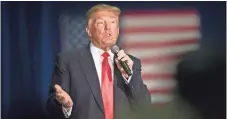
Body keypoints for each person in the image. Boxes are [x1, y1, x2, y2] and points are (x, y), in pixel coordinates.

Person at [46, 4, 151, 119]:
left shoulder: (131, 63)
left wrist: (129, 77)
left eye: (113, 22)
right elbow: (51, 108)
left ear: (118, 29)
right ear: (89, 31)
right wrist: (65, 105)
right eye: (101, 23)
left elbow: (144, 108)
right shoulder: (68, 61)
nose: (108, 28)